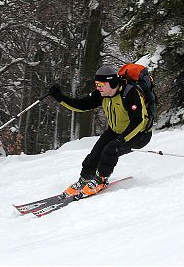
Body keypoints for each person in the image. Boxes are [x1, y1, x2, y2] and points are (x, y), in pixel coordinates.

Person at [48, 65, 152, 197]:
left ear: (112, 83)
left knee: (110, 149)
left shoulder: (130, 93)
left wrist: (121, 140)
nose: (98, 87)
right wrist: (60, 98)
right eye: (97, 84)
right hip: (115, 131)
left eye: (101, 84)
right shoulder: (102, 94)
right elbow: (81, 105)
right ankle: (85, 179)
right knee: (96, 152)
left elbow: (139, 121)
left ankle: (100, 179)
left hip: (139, 134)